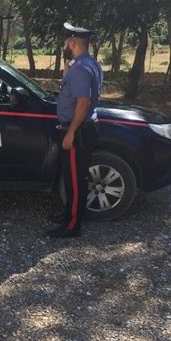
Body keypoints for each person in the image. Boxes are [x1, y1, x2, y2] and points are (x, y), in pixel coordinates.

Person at [47, 22, 103, 238]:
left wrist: (70, 132)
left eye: (65, 42)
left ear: (72, 42)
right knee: (73, 176)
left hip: (77, 130)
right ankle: (68, 213)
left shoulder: (80, 69)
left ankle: (72, 226)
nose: (64, 45)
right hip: (84, 127)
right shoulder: (89, 63)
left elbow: (82, 102)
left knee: (75, 180)